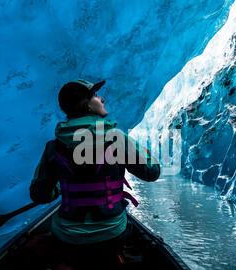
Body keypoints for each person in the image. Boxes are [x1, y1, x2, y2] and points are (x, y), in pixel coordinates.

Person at [29, 79, 160, 247]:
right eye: (96, 96)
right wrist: (145, 154)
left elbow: (39, 195)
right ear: (87, 105)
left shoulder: (53, 147)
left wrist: (62, 188)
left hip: (67, 235)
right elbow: (152, 173)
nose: (102, 99)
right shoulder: (116, 139)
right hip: (113, 231)